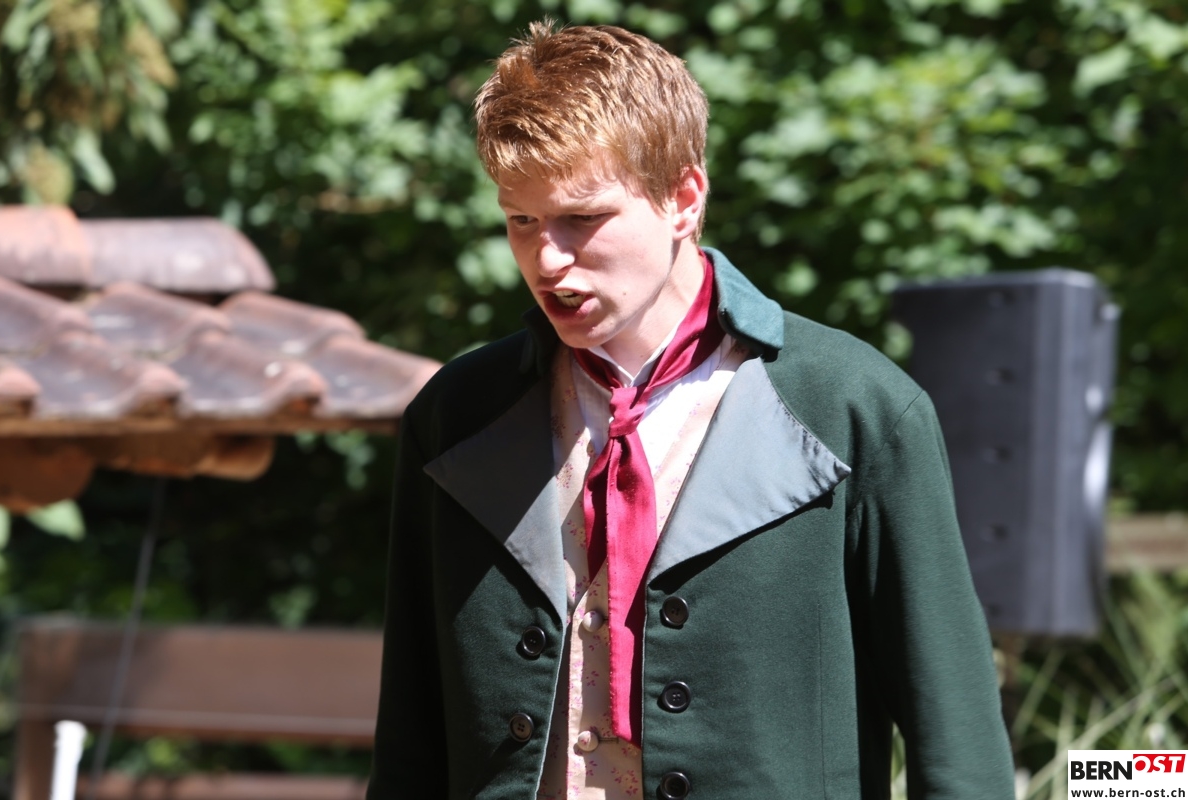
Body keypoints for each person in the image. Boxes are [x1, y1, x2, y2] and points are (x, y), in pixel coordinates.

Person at [366, 20, 1014, 800]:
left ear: (683, 198)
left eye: (583, 218)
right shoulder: (457, 415)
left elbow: (958, 739)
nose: (547, 259)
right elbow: (410, 738)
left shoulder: (853, 406)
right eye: (521, 220)